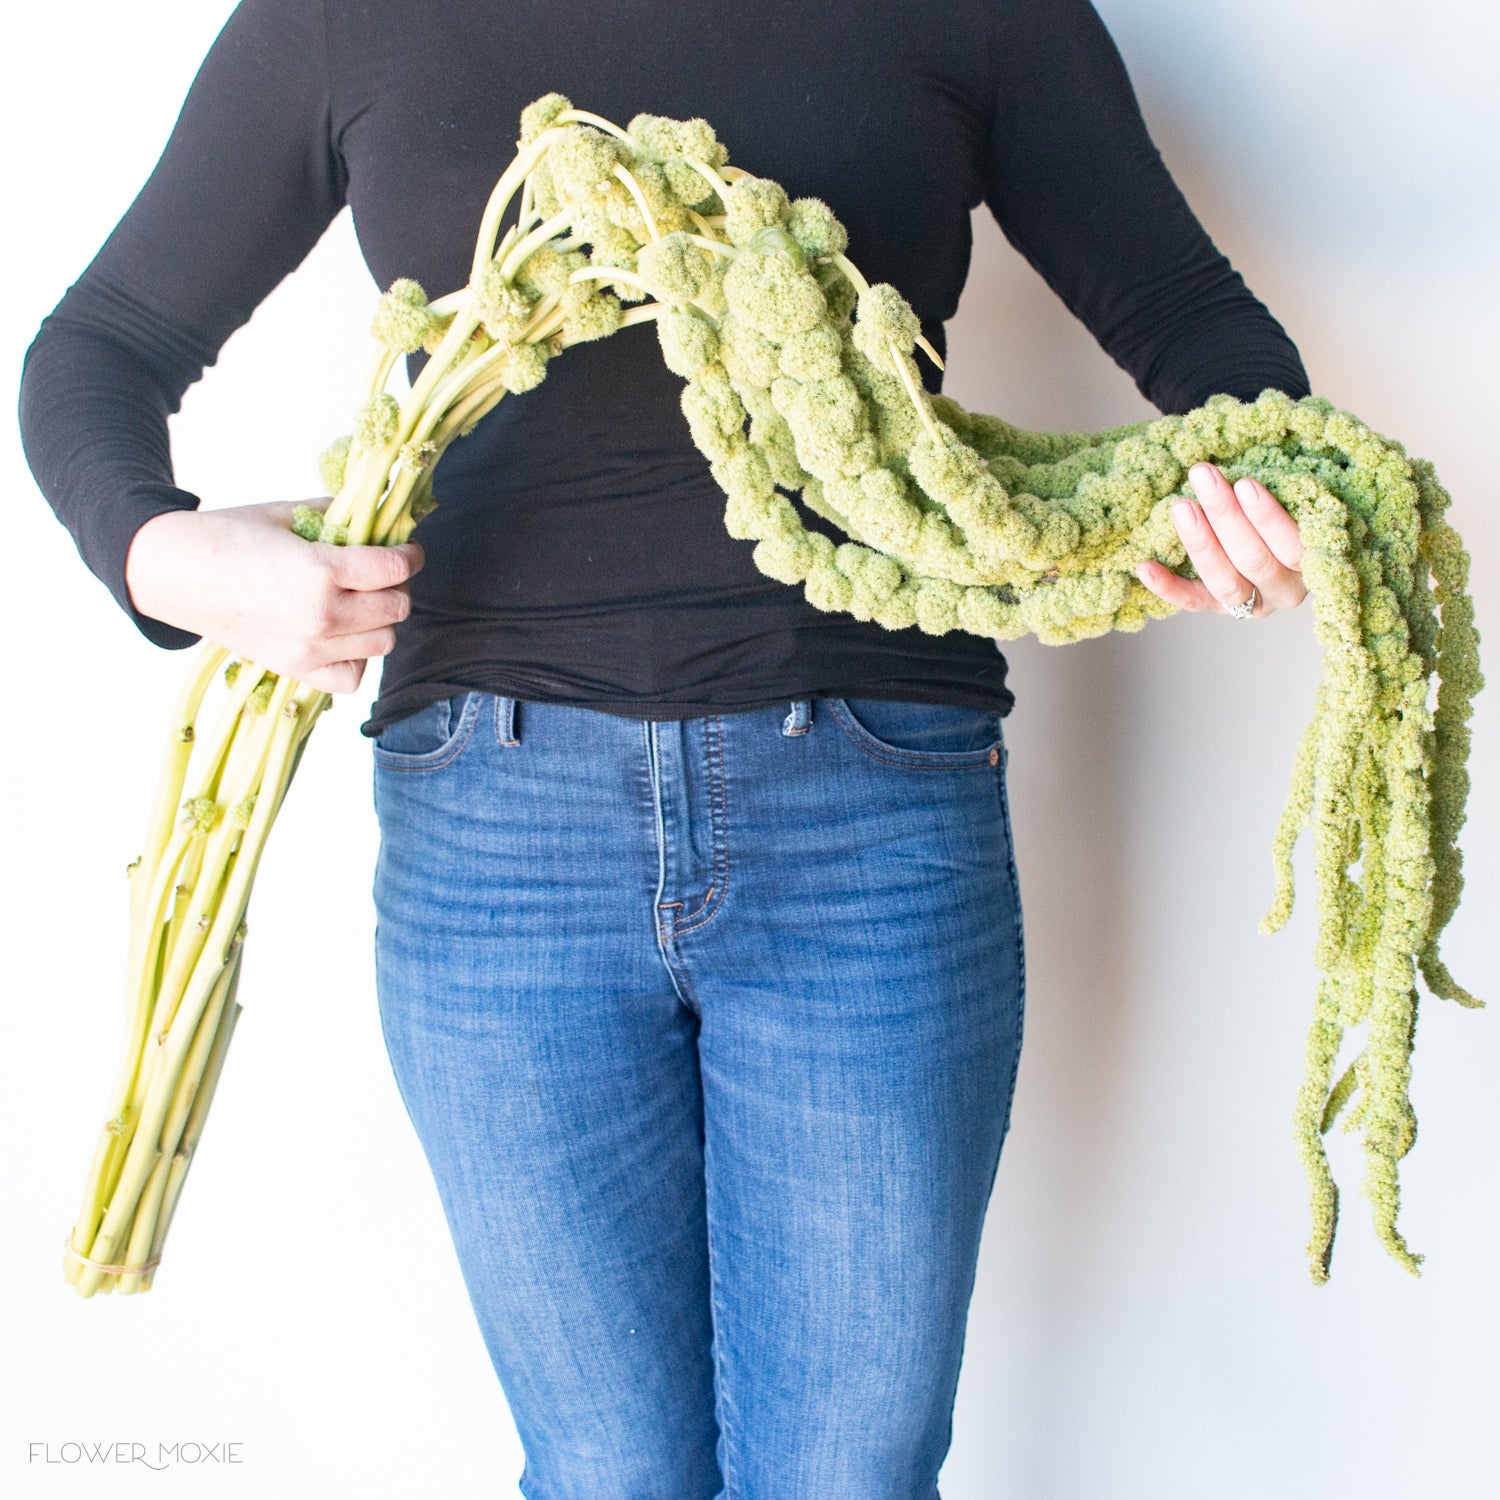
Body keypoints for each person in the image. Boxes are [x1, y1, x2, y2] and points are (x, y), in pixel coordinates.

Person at [18, 1, 1312, 1494]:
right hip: (495, 833)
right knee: (605, 1470)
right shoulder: (340, 14)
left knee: (855, 1473)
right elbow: (104, 343)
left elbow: (1180, 309)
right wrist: (164, 559)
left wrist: (1253, 475)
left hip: (872, 815)